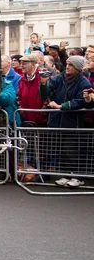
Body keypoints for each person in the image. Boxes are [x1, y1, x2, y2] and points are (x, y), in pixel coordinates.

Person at [39, 56, 91, 187]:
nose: (68, 67)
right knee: (60, 149)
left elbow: (80, 101)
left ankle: (77, 176)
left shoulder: (83, 82)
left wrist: (62, 106)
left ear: (78, 68)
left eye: (71, 65)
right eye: (67, 64)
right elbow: (45, 94)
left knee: (72, 150)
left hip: (73, 121)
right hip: (57, 120)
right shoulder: (58, 78)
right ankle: (65, 174)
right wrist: (44, 83)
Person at [16, 54, 47, 125]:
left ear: (33, 64)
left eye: (25, 64)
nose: (22, 66)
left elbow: (47, 97)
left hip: (41, 120)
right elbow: (19, 97)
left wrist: (43, 112)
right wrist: (21, 111)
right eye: (21, 63)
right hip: (26, 119)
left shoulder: (43, 77)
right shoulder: (21, 80)